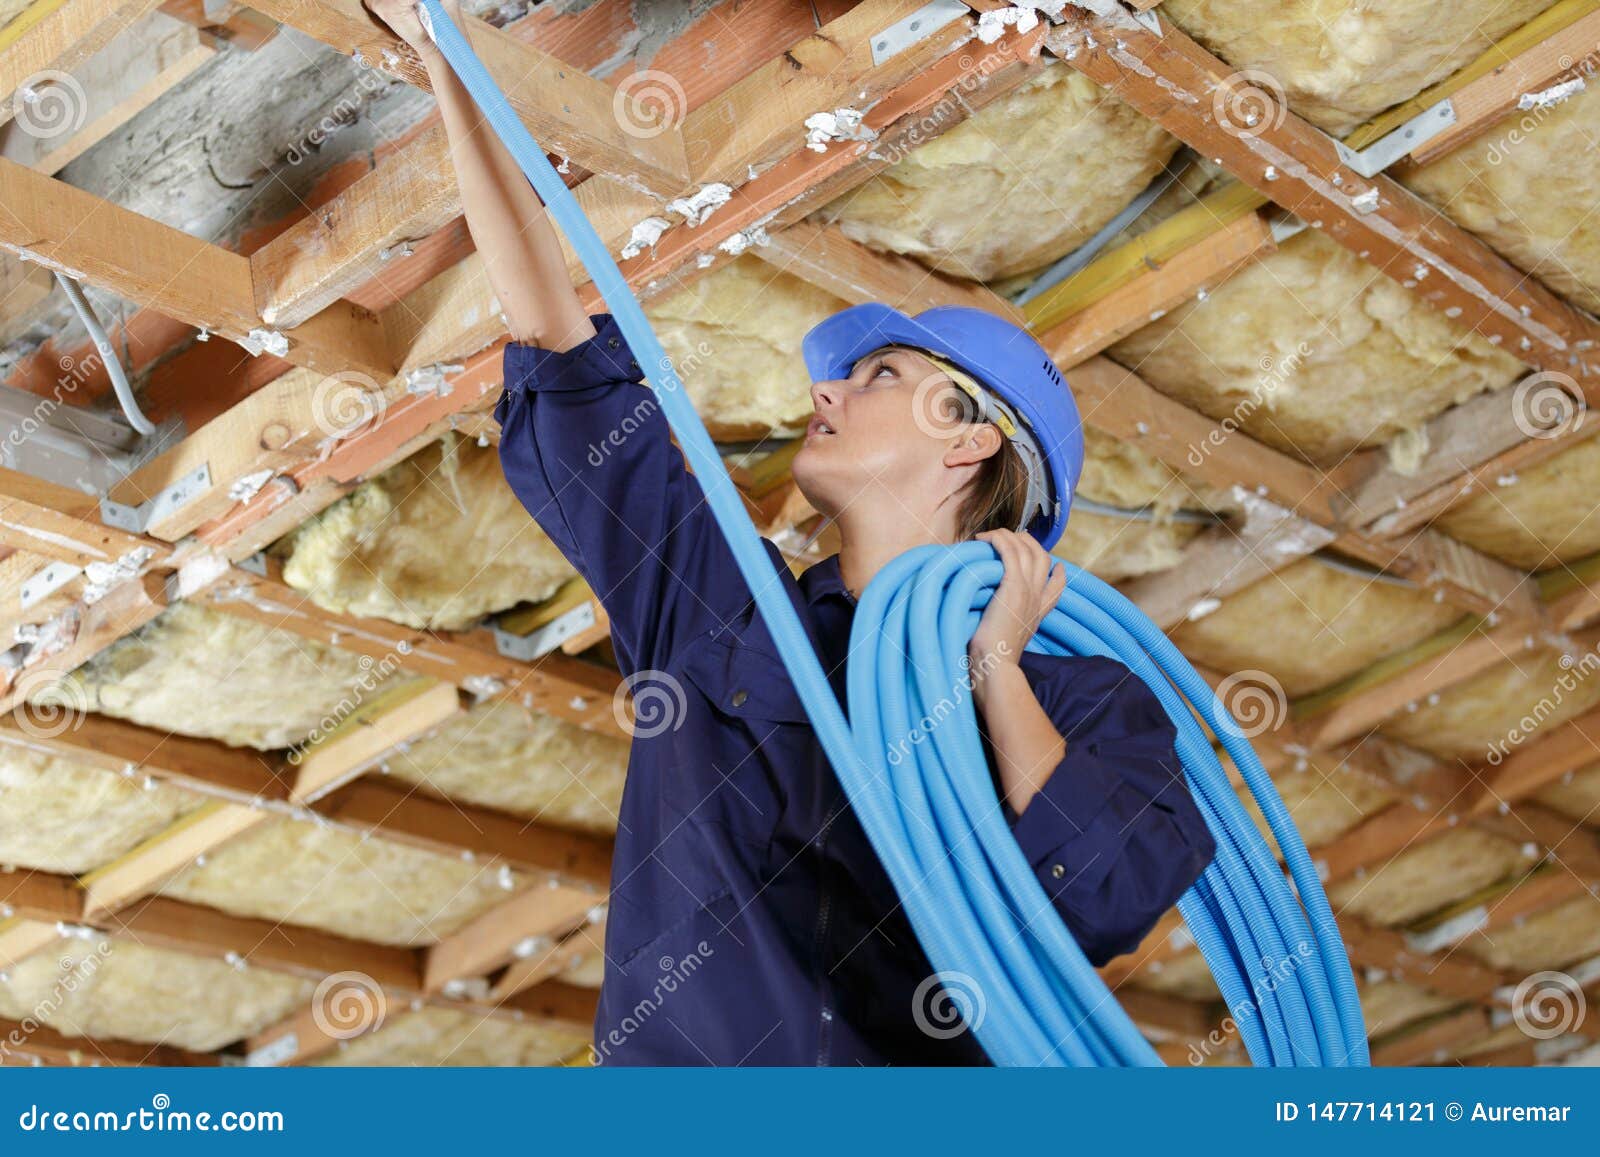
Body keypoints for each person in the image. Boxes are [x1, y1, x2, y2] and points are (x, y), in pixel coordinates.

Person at [366, 0, 1215, 1065]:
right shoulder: (724, 609)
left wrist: (994, 662)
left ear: (969, 443)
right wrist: (444, 53)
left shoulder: (1082, 699)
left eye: (879, 377)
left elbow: (1105, 890)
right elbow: (558, 342)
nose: (827, 394)